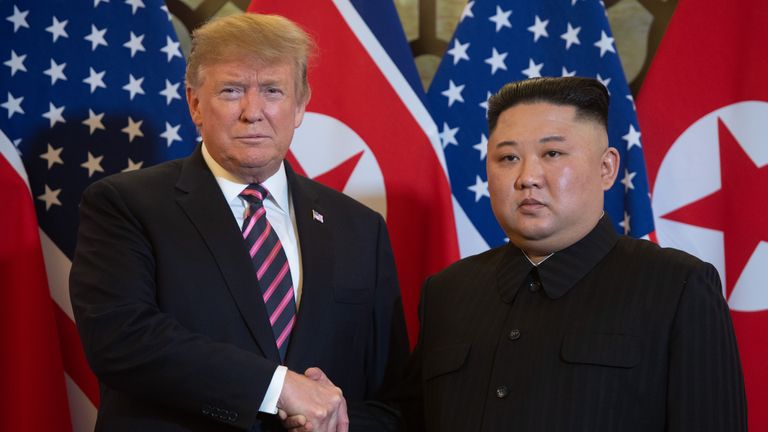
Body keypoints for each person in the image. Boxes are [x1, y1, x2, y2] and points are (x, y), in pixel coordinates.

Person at [69, 13, 409, 432]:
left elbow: (391, 401)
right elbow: (121, 340)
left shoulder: (360, 228)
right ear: (195, 103)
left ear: (300, 104)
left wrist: (337, 424)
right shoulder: (126, 205)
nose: (253, 112)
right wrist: (278, 387)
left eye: (272, 91)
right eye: (232, 91)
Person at [394, 77, 747, 431]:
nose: (527, 177)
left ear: (607, 168)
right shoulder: (447, 292)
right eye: (508, 157)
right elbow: (403, 421)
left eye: (552, 153)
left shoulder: (678, 287)